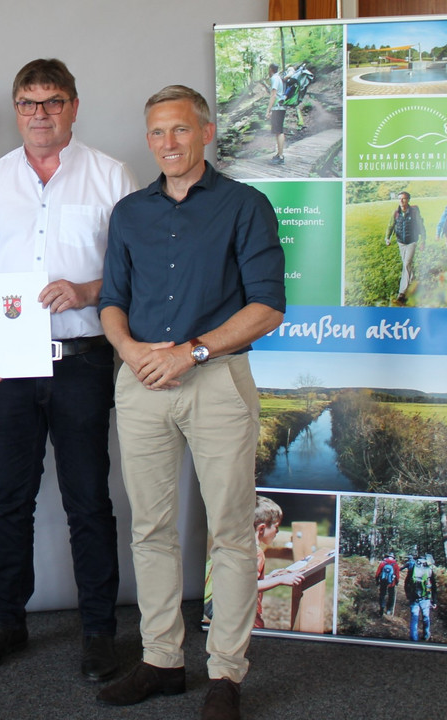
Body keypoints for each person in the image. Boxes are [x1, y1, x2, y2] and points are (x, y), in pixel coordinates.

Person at [96, 85, 285, 720]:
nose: (168, 144)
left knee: (229, 531)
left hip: (216, 382)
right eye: (156, 133)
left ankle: (226, 675)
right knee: (149, 529)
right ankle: (161, 661)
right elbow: (111, 300)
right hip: (142, 380)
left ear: (205, 132)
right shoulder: (129, 212)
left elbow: (266, 308)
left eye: (179, 130)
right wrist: (129, 351)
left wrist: (190, 352)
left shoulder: (245, 205)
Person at [0, 58, 136, 680]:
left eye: (52, 102)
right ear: (16, 108)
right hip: (8, 366)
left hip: (82, 362)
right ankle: (6, 624)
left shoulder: (111, 176)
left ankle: (98, 632)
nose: (40, 114)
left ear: (74, 107)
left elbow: (132, 274)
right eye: (29, 103)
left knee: (88, 501)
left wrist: (85, 292)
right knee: (7, 499)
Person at [252, 496, 302, 629]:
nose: (277, 532)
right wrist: (281, 580)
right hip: (247, 617)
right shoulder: (256, 553)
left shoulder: (241, 548)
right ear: (261, 528)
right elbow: (247, 587)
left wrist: (270, 576)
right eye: (276, 527)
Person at [384, 191, 425, 306]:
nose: (401, 201)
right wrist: (387, 238)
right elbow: (390, 226)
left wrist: (423, 240)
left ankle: (402, 293)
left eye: (404, 198)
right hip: (401, 242)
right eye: (400, 199)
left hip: (412, 241)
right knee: (407, 264)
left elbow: (421, 226)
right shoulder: (395, 213)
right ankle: (412, 282)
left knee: (406, 264)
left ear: (408, 200)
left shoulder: (414, 212)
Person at [405, 554, 437, 642]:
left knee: (414, 618)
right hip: (425, 598)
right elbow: (433, 586)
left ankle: (413, 638)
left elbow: (407, 582)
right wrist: (434, 601)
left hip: (413, 597)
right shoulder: (429, 569)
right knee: (426, 616)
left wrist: (408, 595)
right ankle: (426, 635)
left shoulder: (413, 568)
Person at [266, 63, 287, 166]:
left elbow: (273, 95)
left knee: (279, 131)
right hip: (280, 107)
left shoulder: (274, 78)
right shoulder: (279, 77)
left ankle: (281, 156)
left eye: (268, 69)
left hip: (277, 107)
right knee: (278, 131)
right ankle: (279, 154)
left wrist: (268, 110)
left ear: (271, 69)